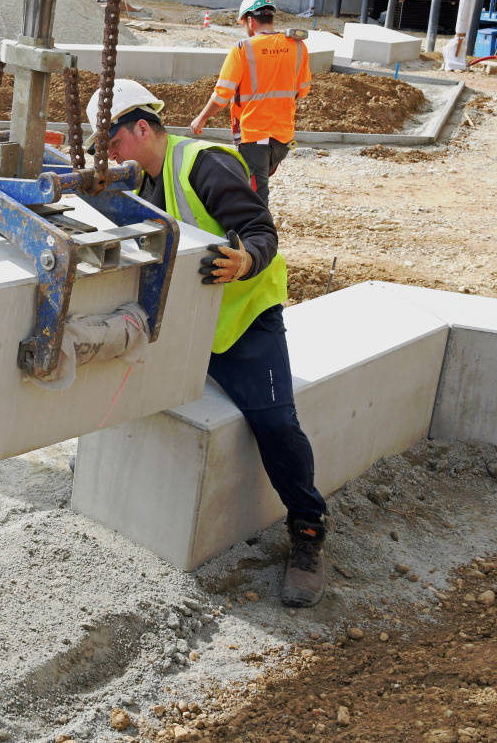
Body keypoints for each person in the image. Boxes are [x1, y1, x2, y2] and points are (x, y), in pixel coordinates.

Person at [87, 78, 328, 606]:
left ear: (141, 127)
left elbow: (261, 229)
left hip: (244, 319)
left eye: (111, 142)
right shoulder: (139, 183)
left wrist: (245, 260)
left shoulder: (201, 163)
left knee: (274, 422)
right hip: (188, 321)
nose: (109, 154)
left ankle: (308, 531)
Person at [187, 0, 309, 207]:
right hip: (282, 137)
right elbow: (303, 90)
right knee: (256, 187)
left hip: (254, 136)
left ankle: (259, 237)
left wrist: (201, 118)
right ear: (271, 17)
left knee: (255, 198)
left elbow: (222, 95)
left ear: (250, 20)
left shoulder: (243, 48)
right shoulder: (298, 46)